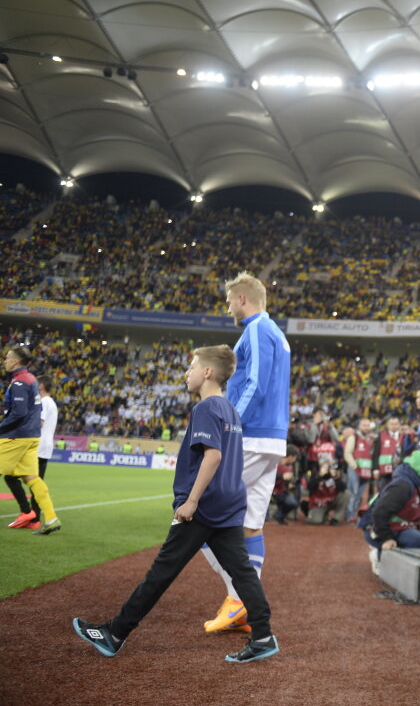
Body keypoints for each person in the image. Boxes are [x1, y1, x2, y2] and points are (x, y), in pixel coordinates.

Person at [72, 345, 278, 663]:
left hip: (205, 505)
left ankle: (115, 634)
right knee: (242, 572)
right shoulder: (230, 409)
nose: (188, 372)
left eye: (193, 366)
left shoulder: (206, 408)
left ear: (207, 372)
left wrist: (191, 500)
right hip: (229, 503)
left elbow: (213, 455)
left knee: (162, 571)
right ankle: (263, 636)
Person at [201, 272, 291, 634]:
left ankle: (239, 598)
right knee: (250, 524)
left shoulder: (255, 329)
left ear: (241, 299)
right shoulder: (277, 334)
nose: (227, 308)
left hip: (250, 436)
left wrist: (228, 423)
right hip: (270, 439)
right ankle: (242, 604)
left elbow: (253, 381)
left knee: (199, 510)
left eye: (227, 301)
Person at [0, 347, 60, 535]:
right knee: (32, 479)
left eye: (8, 358)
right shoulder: (32, 379)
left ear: (16, 361)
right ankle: (51, 518)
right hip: (32, 436)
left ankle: (30, 513)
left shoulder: (19, 382)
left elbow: (19, 413)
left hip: (16, 436)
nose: (5, 360)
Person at [361, 450, 420, 549]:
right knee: (417, 539)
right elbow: (378, 513)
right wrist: (386, 538)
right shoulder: (402, 486)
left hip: (405, 522)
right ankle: (379, 553)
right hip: (383, 526)